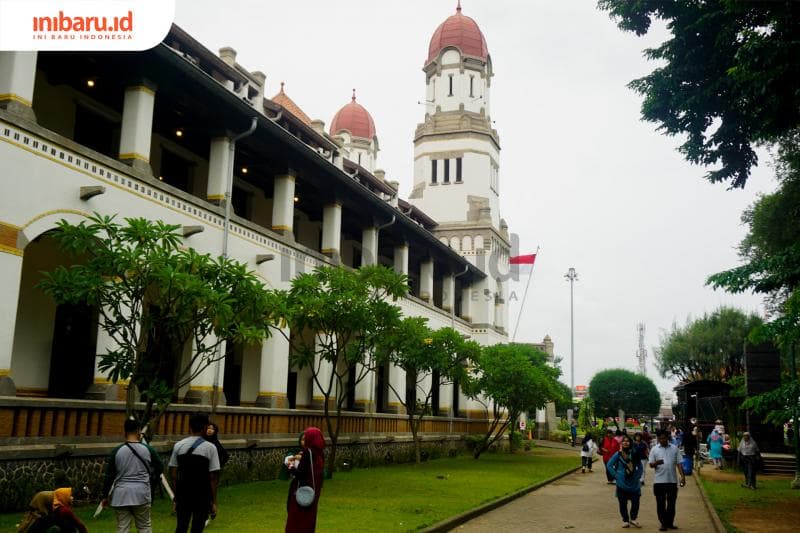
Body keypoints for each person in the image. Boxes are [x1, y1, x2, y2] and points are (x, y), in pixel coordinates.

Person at [102, 418, 162, 533]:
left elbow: (109, 476)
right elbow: (159, 467)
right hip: (142, 493)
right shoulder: (148, 450)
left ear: (124, 432)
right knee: (144, 526)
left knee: (122, 528)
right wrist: (151, 477)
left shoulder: (116, 451)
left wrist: (105, 496)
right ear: (139, 432)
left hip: (121, 494)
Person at [169, 413, 220, 533]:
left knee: (181, 526)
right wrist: (213, 501)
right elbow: (213, 478)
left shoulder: (179, 446)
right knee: (198, 527)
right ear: (204, 428)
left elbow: (174, 475)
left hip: (183, 493)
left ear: (190, 427)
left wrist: (176, 498)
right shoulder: (210, 448)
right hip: (202, 494)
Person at [286, 427, 325, 533]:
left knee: (297, 521)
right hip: (314, 492)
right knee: (308, 521)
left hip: (303, 491)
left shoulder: (308, 452)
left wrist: (290, 466)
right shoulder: (320, 453)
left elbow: (300, 474)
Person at [649, 429, 686, 531]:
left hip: (672, 481)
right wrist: (656, 463)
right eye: (660, 438)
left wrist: (683, 477)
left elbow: (679, 464)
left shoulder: (674, 449)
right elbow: (650, 464)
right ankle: (663, 523)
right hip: (659, 482)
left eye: (664, 438)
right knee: (660, 504)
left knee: (671, 504)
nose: (662, 440)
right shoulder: (654, 449)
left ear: (668, 438)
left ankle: (670, 523)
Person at [607, 435, 644, 528]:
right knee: (622, 503)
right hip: (621, 482)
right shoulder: (618, 454)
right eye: (624, 441)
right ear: (621, 443)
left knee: (636, 502)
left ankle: (633, 519)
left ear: (631, 443)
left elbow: (640, 466)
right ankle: (625, 520)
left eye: (628, 441)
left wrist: (638, 475)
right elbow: (609, 465)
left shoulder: (635, 454)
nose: (625, 442)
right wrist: (615, 475)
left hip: (634, 482)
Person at [203, 421, 230, 521]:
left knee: (210, 491)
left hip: (213, 472)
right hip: (203, 470)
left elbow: (226, 456)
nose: (210, 430)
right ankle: (208, 510)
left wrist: (218, 465)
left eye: (212, 429)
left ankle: (211, 509)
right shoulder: (202, 442)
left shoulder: (216, 443)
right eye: (208, 428)